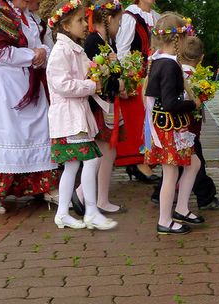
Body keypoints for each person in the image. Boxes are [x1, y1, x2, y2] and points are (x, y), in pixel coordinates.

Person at [0, 0, 58, 214]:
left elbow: (41, 43)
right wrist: (32, 55)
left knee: (38, 130)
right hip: (4, 85)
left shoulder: (29, 17)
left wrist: (42, 52)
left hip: (29, 81)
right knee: (7, 135)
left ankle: (42, 185)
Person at [46, 0, 118, 230]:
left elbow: (91, 71)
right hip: (68, 116)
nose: (85, 25)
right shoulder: (61, 51)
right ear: (66, 26)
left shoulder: (75, 49)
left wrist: (105, 67)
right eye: (79, 21)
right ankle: (91, 211)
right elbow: (61, 84)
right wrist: (90, 86)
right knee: (91, 159)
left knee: (73, 165)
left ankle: (62, 213)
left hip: (76, 115)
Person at [150, 36, 219, 211]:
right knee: (193, 162)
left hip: (173, 127)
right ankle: (205, 197)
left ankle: (161, 195)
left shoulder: (173, 70)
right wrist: (197, 101)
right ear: (201, 58)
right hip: (184, 128)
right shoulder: (189, 76)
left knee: (176, 163)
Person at [145, 13, 203, 235]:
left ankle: (180, 208)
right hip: (169, 126)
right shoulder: (168, 66)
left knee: (193, 164)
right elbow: (170, 102)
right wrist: (191, 105)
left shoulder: (158, 60)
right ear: (178, 38)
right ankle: (164, 220)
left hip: (169, 125)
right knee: (171, 174)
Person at [74, 0, 128, 214]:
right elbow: (94, 78)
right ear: (110, 20)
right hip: (100, 105)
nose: (120, 26)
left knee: (107, 152)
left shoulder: (104, 43)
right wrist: (118, 84)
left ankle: (94, 196)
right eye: (119, 21)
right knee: (104, 151)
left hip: (108, 103)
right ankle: (88, 196)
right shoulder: (94, 43)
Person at [115, 0, 160, 183]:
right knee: (138, 122)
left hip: (153, 77)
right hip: (136, 78)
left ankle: (146, 161)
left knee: (152, 120)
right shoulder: (129, 17)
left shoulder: (156, 17)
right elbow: (122, 50)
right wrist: (128, 77)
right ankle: (137, 163)